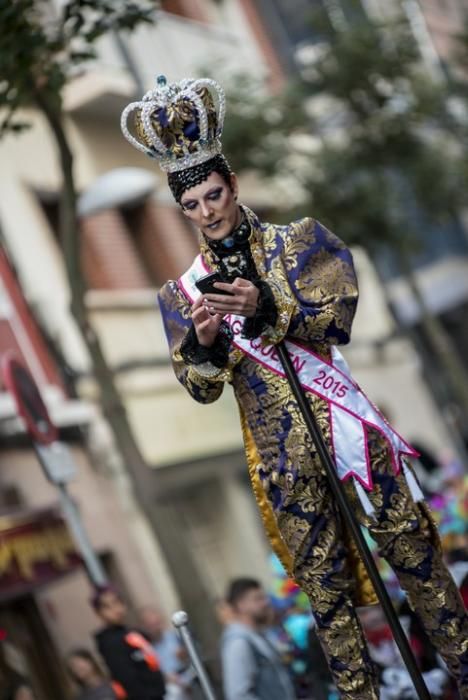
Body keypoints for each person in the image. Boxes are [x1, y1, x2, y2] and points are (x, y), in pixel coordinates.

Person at [121, 75, 468, 699]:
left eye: (214, 194)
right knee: (328, 605)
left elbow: (339, 317)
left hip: (352, 437)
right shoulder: (180, 293)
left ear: (233, 185)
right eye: (192, 204)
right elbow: (199, 387)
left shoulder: (300, 242)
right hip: (282, 462)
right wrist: (205, 344)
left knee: (420, 567)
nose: (208, 212)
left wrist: (265, 307)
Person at [220, 578, 295, 700]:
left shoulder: (261, 635)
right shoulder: (238, 643)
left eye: (264, 597)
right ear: (241, 605)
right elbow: (238, 695)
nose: (265, 603)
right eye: (258, 599)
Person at [92, 587, 166, 700]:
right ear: (99, 613)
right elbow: (127, 678)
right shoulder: (109, 642)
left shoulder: (131, 633)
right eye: (107, 607)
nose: (115, 609)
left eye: (117, 602)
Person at [138, 606, 195, 700]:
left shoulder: (173, 636)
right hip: (168, 690)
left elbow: (191, 658)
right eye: (151, 625)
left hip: (187, 684)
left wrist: (184, 654)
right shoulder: (145, 648)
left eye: (156, 623)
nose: (155, 628)